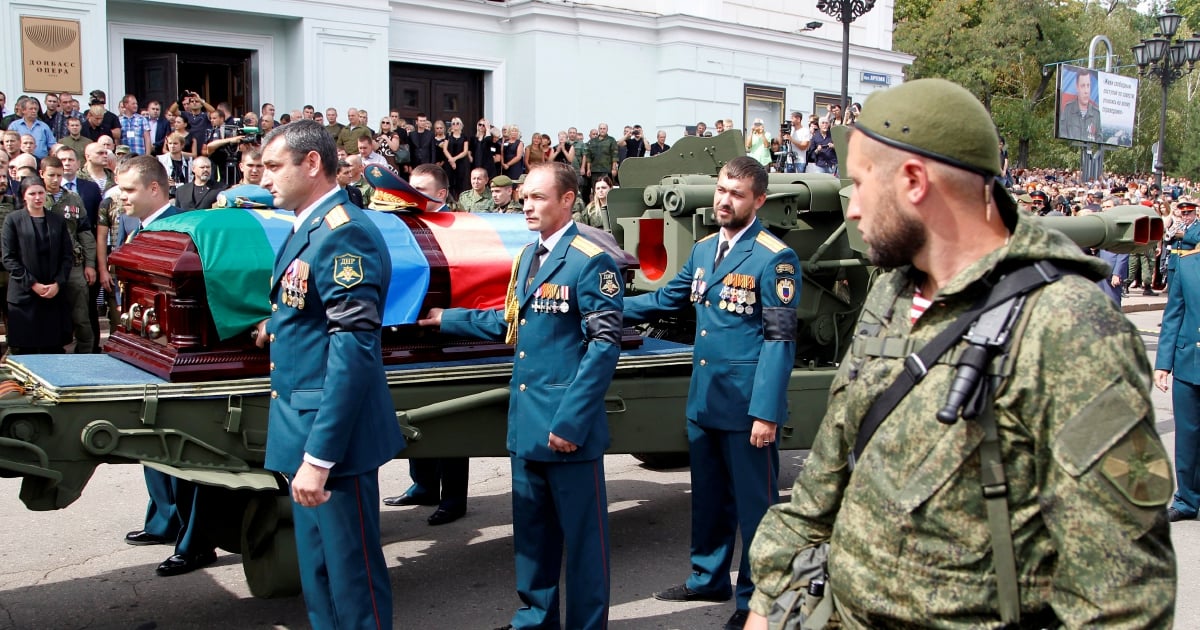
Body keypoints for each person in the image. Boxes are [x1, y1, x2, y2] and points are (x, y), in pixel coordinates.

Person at [746, 78, 1174, 629]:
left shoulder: (1068, 327)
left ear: (914, 181)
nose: (851, 211)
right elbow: (821, 485)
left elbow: (1122, 595)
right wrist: (769, 606)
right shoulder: (893, 292)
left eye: (858, 185)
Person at [420, 161, 621, 630]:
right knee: (532, 535)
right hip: (527, 423)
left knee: (584, 541)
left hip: (566, 429)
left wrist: (571, 422)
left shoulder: (591, 259)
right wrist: (449, 318)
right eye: (525, 196)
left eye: (538, 197)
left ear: (568, 200)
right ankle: (535, 619)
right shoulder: (530, 255)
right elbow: (513, 324)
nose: (526, 205)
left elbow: (603, 346)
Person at [623, 156, 799, 630]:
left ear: (758, 200)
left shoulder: (773, 257)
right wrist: (605, 305)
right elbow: (666, 298)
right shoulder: (704, 250)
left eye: (737, 193)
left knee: (755, 509)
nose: (724, 199)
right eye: (722, 189)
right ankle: (707, 577)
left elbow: (780, 342)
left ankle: (755, 604)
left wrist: (766, 413)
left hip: (746, 410)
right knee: (708, 498)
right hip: (704, 402)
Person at [251, 120, 402, 629]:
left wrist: (319, 457)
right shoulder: (309, 224)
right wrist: (279, 323)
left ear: (311, 164)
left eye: (274, 166)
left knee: (350, 579)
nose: (263, 178)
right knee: (318, 576)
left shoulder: (346, 232)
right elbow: (313, 306)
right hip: (305, 426)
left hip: (333, 441)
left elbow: (354, 348)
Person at [113, 156, 220, 576]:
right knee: (150, 442)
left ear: (155, 190)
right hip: (148, 346)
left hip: (181, 355)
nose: (120, 197)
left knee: (182, 452)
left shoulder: (185, 229)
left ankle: (195, 542)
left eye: (128, 190)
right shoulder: (136, 227)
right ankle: (164, 521)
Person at [1156, 198, 1200, 523]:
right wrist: (1162, 364)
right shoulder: (1186, 264)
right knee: (1187, 436)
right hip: (1189, 360)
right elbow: (1173, 315)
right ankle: (1186, 499)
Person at [1, 175, 73, 354]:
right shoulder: (13, 220)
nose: (38, 197)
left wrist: (57, 283)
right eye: (32, 193)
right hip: (25, 297)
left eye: (41, 192)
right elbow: (8, 258)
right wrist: (33, 284)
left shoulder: (57, 220)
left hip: (53, 295)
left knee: (53, 349)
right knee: (26, 352)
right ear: (24, 196)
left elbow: (67, 256)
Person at [41, 156, 96, 353]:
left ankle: (85, 353)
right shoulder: (36, 196)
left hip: (73, 263)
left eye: (59, 175)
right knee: (47, 314)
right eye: (51, 175)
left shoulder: (73, 198)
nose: (55, 180)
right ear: (42, 174)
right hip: (45, 265)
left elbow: (85, 232)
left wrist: (90, 264)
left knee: (81, 313)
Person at [1059, 68, 1101, 142]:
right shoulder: (1067, 110)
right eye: (1083, 86)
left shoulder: (1096, 114)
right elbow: (1062, 135)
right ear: (1077, 87)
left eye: (1088, 85)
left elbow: (1099, 140)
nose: (1086, 91)